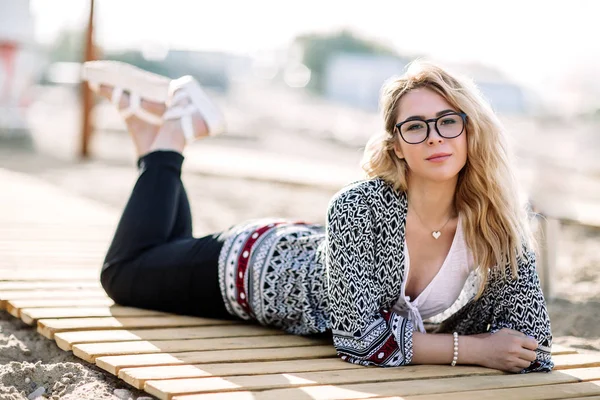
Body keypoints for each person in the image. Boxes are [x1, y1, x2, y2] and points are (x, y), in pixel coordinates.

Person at [82, 59, 553, 374]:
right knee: (123, 274)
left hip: (302, 250)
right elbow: (361, 342)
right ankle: (170, 137)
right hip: (250, 268)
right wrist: (473, 351)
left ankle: (152, 137)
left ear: (472, 130)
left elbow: (533, 347)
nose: (435, 137)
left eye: (449, 121)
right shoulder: (359, 205)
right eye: (415, 126)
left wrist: (499, 349)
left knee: (161, 252)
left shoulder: (499, 221)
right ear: (398, 148)